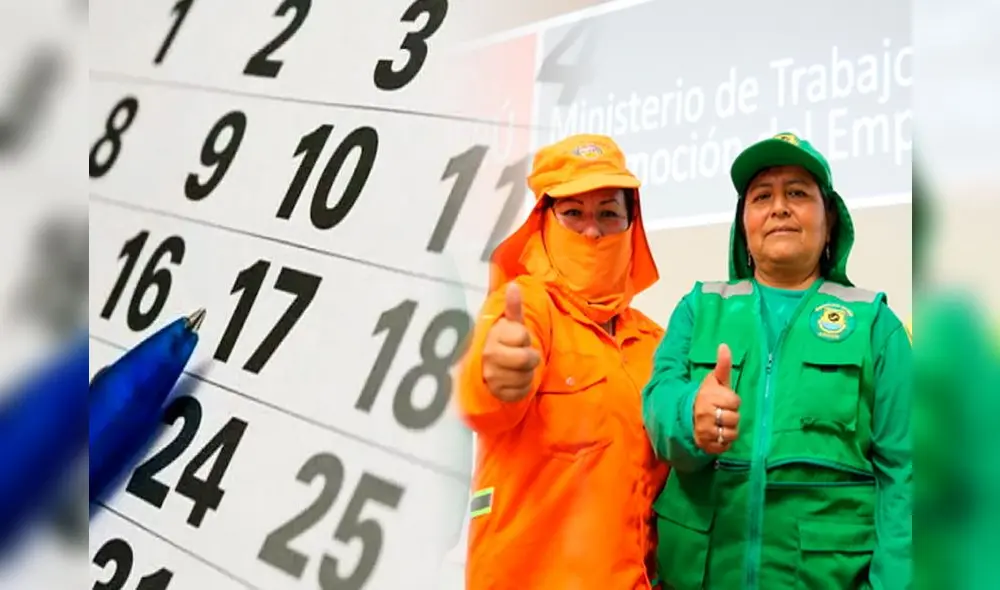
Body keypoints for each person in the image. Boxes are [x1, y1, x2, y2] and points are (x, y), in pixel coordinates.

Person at [642, 133, 912, 589]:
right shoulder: (699, 308)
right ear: (743, 224)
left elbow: (906, 475)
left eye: (798, 194)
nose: (779, 208)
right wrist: (689, 415)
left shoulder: (876, 325)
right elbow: (658, 401)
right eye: (762, 196)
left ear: (829, 218)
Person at [455, 134, 669, 589]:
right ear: (544, 222)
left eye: (609, 214)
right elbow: (484, 400)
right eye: (573, 213)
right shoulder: (524, 305)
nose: (592, 231)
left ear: (632, 224)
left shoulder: (655, 342)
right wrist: (498, 375)